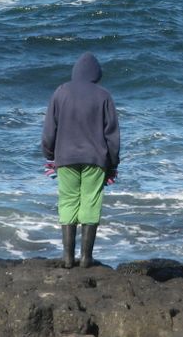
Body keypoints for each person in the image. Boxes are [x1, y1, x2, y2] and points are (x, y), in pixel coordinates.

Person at [42, 52, 120, 268]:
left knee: (67, 201)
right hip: (96, 159)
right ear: (97, 74)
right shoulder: (104, 95)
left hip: (65, 157)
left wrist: (50, 154)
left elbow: (49, 129)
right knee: (90, 201)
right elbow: (112, 135)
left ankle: (67, 257)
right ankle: (86, 258)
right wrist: (113, 163)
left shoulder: (61, 92)